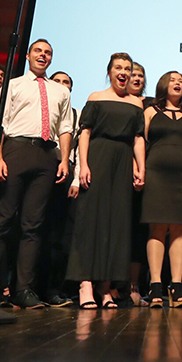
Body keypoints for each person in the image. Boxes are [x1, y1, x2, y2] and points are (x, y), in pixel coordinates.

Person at [0, 39, 72, 309]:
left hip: (46, 154)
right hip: (16, 149)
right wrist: (0, 157)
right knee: (1, 220)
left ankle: (24, 290)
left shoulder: (60, 91)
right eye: (38, 51)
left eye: (48, 53)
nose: (43, 55)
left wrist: (64, 159)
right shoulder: (13, 85)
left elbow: (65, 127)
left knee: (33, 225)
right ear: (28, 55)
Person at [66, 53, 146, 309]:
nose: (123, 72)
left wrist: (140, 167)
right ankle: (85, 283)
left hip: (122, 163)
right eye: (118, 68)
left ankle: (105, 287)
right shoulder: (96, 97)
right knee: (91, 221)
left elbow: (138, 138)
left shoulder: (136, 104)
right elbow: (85, 133)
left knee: (117, 223)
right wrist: (84, 165)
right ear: (109, 72)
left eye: (127, 69)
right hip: (98, 158)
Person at [141, 71, 182, 308]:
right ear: (163, 85)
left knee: (179, 230)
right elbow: (141, 141)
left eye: (181, 80)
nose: (178, 83)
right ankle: (156, 284)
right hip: (156, 174)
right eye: (173, 79)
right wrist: (140, 169)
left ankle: (176, 285)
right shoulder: (150, 112)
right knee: (157, 227)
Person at [41, 70, 79, 307]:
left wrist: (74, 179)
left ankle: (53, 288)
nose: (62, 85)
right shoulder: (40, 109)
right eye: (58, 81)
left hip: (64, 172)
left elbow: (77, 149)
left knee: (59, 232)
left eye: (67, 82)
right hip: (41, 164)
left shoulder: (76, 114)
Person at [125, 61, 151, 305]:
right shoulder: (117, 101)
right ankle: (110, 286)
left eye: (141, 75)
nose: (137, 78)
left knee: (138, 231)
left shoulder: (151, 105)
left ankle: (134, 287)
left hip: (146, 175)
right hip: (121, 169)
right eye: (133, 74)